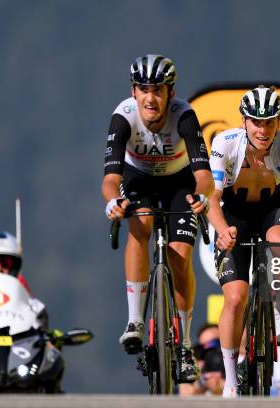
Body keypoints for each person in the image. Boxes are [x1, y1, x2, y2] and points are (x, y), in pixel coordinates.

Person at [101, 54, 213, 383]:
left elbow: (203, 175)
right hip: (139, 179)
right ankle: (135, 320)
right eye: (144, 89)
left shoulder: (185, 115)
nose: (151, 97)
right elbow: (110, 178)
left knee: (180, 255)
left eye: (158, 90)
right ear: (134, 92)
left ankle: (185, 344)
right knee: (141, 224)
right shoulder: (123, 117)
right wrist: (113, 202)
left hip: (179, 183)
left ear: (170, 93)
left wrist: (202, 196)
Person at [207, 85, 280, 397]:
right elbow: (212, 197)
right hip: (235, 212)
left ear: (279, 122)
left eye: (269, 122)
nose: (263, 129)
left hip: (272, 208)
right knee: (236, 299)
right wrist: (223, 229)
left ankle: (278, 312)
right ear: (244, 121)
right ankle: (230, 380)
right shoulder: (225, 143)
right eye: (256, 121)